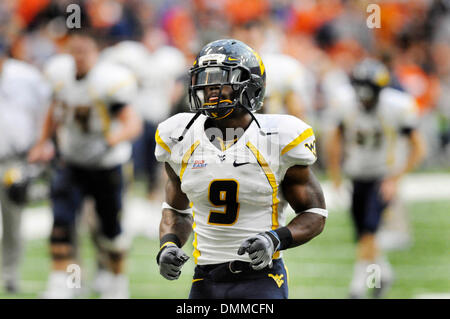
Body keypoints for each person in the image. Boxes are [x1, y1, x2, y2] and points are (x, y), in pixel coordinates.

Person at [154, 39, 327, 299]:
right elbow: (177, 211)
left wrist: (274, 239)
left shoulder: (275, 138)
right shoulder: (180, 136)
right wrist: (168, 245)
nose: (210, 87)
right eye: (205, 78)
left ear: (250, 85)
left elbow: (314, 212)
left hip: (260, 277)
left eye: (220, 79)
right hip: (205, 279)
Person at [28, 30, 142, 298]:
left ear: (96, 52)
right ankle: (62, 283)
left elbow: (132, 123)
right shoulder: (60, 74)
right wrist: (42, 142)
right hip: (73, 163)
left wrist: (115, 137)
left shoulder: (108, 80)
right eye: (74, 50)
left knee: (110, 229)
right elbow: (54, 111)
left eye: (84, 51)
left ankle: (115, 282)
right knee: (61, 225)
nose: (79, 57)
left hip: (107, 164)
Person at [325, 58, 425, 298]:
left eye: (369, 93)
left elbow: (418, 147)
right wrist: (336, 174)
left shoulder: (396, 106)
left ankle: (357, 287)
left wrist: (395, 178)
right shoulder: (345, 103)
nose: (364, 98)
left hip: (382, 176)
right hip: (357, 175)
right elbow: (334, 139)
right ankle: (386, 274)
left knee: (369, 231)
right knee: (362, 234)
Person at [0, 41, 51, 293]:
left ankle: (9, 275)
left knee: (13, 220)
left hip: (14, 160)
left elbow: (47, 109)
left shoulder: (26, 77)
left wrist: (41, 144)